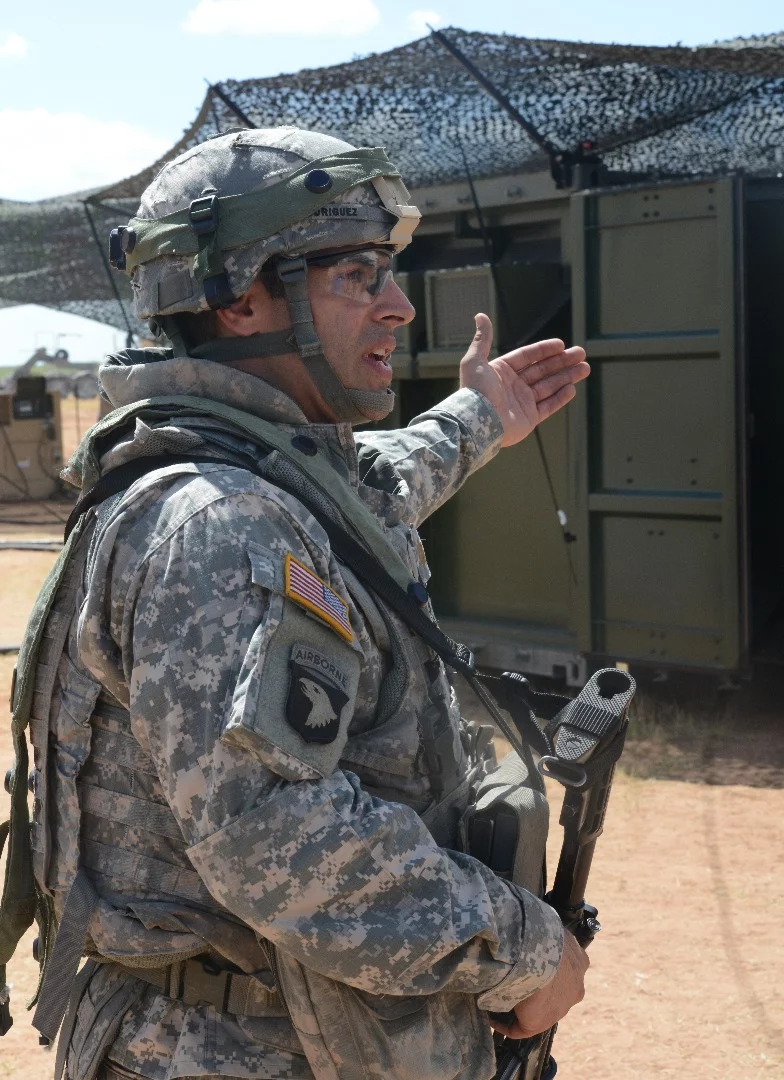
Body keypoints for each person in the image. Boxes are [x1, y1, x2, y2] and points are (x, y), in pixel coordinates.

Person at [24, 127, 590, 1080]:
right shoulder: (224, 525)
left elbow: (366, 496)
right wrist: (522, 952)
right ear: (245, 300)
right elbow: (281, 841)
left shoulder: (259, 476)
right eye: (358, 276)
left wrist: (479, 417)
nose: (399, 307)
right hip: (234, 1048)